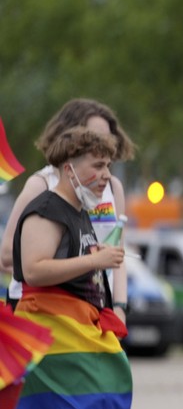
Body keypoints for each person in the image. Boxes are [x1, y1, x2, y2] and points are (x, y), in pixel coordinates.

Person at [8, 126, 131, 409]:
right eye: (97, 165)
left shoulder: (78, 209)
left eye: (108, 165)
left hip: (72, 329)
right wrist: (94, 262)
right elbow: (34, 269)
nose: (105, 174)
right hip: (50, 331)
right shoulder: (47, 207)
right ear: (68, 167)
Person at [1, 99, 135, 317]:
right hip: (46, 311)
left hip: (92, 307)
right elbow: (11, 257)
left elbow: (116, 256)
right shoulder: (43, 188)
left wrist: (119, 306)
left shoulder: (111, 187)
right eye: (94, 137)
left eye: (108, 138)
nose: (101, 144)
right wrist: (87, 262)